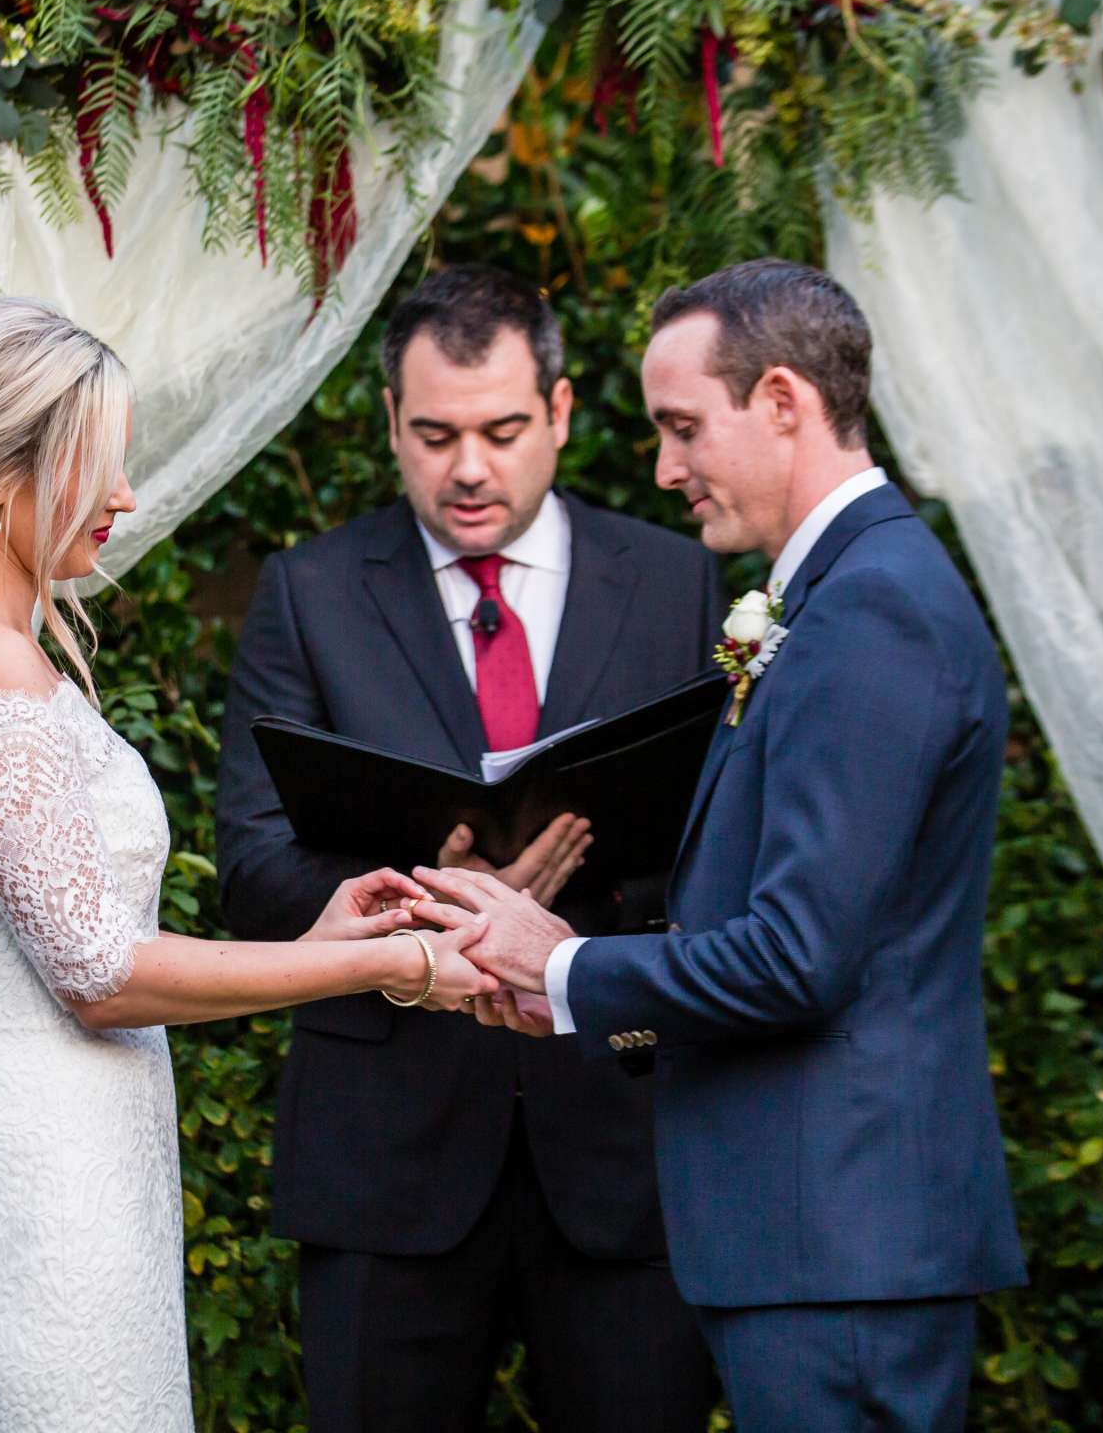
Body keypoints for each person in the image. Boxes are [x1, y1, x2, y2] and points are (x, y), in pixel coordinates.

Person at [0, 297, 590, 1433]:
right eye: (96, 466)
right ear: (3, 479)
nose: (124, 496)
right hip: (35, 1181)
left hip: (76, 1154)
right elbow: (98, 976)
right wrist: (393, 963)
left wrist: (317, 941)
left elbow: (93, 946)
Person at [421, 258, 1027, 1433]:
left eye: (683, 427)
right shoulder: (840, 597)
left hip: (841, 1243)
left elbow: (799, 956)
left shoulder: (873, 610)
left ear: (786, 401)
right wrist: (572, 997)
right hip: (821, 1239)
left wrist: (558, 964)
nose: (664, 468)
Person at [216, 263, 723, 1433]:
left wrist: (557, 899)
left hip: (616, 1145)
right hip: (384, 1157)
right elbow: (250, 867)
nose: (470, 469)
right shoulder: (310, 592)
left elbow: (715, 847)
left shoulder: (676, 580)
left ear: (558, 411)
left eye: (501, 430)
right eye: (435, 435)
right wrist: (434, 902)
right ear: (391, 423)